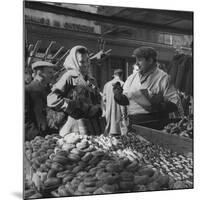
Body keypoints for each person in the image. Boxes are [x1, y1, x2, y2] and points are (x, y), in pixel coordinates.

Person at [113, 46, 182, 130]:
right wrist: (118, 96)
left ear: (150, 60)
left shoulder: (163, 78)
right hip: (134, 123)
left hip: (155, 123)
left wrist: (158, 106)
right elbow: (126, 100)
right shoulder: (131, 78)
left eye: (140, 60)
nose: (136, 63)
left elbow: (175, 103)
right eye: (136, 60)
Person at [47, 45, 103, 137]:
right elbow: (52, 98)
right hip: (74, 126)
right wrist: (71, 106)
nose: (86, 64)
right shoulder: (69, 76)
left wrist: (97, 107)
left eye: (87, 61)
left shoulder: (92, 79)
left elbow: (97, 100)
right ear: (74, 61)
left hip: (92, 125)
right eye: (82, 62)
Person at [25, 61, 56, 141]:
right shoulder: (27, 90)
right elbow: (25, 118)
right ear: (39, 73)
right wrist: (36, 136)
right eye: (49, 72)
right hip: (36, 140)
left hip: (52, 136)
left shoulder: (51, 91)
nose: (53, 75)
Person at [102, 69, 126, 136]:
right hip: (118, 115)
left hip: (108, 114)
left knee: (109, 137)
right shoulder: (122, 84)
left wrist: (105, 111)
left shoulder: (107, 85)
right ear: (121, 75)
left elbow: (103, 100)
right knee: (118, 138)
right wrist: (124, 115)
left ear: (114, 75)